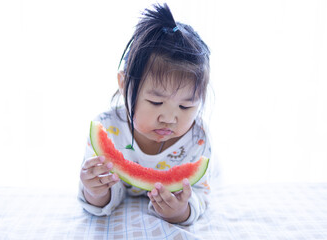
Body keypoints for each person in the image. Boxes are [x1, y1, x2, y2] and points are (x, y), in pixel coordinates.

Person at [78, 3, 220, 225]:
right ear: (124, 84)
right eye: (156, 102)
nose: (170, 118)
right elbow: (105, 192)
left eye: (186, 107)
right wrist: (95, 191)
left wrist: (181, 211)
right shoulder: (108, 128)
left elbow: (201, 192)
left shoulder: (197, 138)